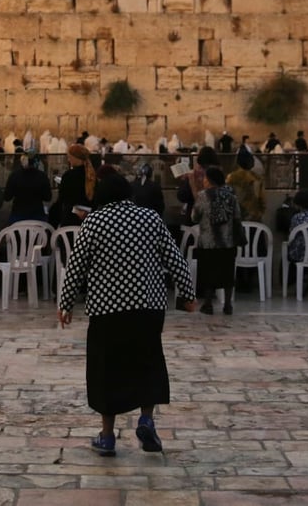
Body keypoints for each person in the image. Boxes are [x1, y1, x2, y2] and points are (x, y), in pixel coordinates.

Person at [57, 169, 196, 458]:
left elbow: (76, 266)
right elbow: (175, 259)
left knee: (106, 369)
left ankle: (107, 436)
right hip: (148, 307)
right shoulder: (150, 218)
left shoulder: (94, 222)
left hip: (108, 310)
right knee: (147, 362)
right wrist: (188, 294)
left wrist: (65, 303)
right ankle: (146, 419)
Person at [190, 166, 240, 315]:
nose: (203, 180)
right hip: (227, 241)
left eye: (205, 178)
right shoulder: (231, 197)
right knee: (227, 273)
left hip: (208, 242)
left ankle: (208, 304)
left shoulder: (202, 196)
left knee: (207, 273)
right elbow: (237, 217)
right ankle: (228, 305)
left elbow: (194, 217)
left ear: (209, 180)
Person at [4, 150, 53, 224]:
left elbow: (7, 197)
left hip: (17, 218)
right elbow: (48, 198)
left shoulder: (14, 176)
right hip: (37, 218)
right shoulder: (42, 176)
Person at [51, 144, 95, 226]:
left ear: (75, 158)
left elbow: (62, 199)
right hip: (89, 222)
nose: (68, 160)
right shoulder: (92, 176)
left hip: (70, 222)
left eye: (69, 157)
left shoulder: (69, 176)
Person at [177, 146, 219, 221]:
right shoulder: (219, 175)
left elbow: (182, 196)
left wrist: (184, 181)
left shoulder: (194, 175)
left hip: (195, 220)